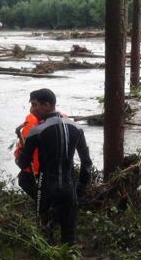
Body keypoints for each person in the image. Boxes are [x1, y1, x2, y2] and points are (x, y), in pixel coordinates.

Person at [16, 89, 92, 244]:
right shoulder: (76, 128)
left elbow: (23, 162)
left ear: (47, 105)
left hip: (46, 188)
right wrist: (81, 187)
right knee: (69, 235)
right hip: (69, 187)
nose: (31, 110)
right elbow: (86, 163)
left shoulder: (37, 130)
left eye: (34, 105)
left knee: (45, 232)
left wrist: (19, 156)